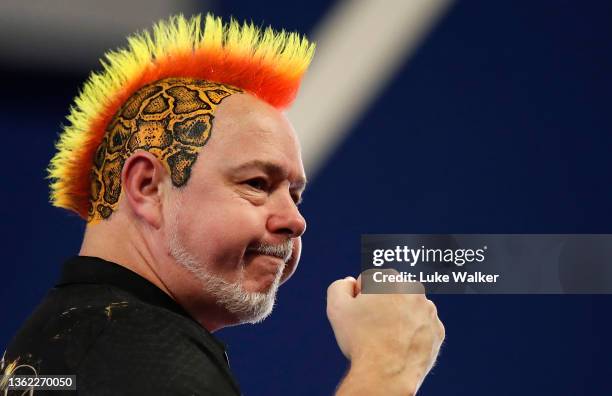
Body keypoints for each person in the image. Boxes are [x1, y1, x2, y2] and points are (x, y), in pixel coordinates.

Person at [1, 13, 444, 395]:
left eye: (294, 194)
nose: (296, 221)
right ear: (147, 187)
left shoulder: (70, 340)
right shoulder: (140, 350)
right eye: (256, 182)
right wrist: (386, 367)